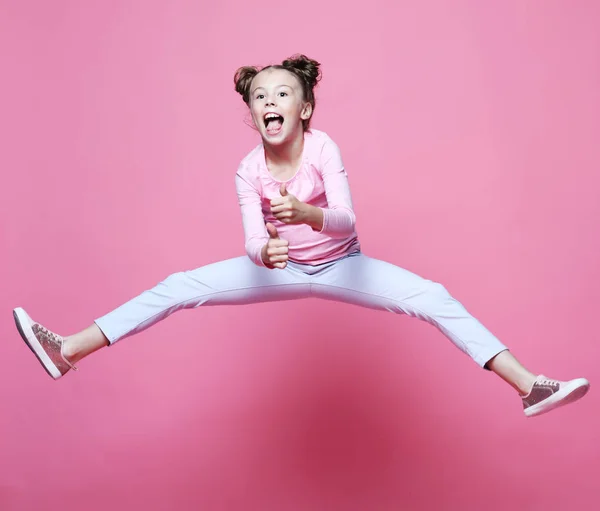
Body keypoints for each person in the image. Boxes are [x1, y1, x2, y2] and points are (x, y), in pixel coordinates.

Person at [13, 54, 589, 418]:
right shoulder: (247, 168)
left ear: (305, 107)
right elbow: (248, 241)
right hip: (281, 271)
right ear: (252, 112)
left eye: (282, 93)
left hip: (343, 265)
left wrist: (308, 216)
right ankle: (68, 350)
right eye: (260, 95)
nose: (270, 100)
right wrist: (264, 249)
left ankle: (529, 388)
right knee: (178, 285)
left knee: (434, 297)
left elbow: (346, 218)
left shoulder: (322, 148)